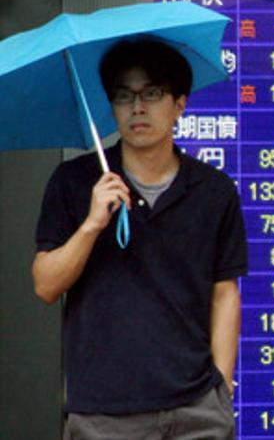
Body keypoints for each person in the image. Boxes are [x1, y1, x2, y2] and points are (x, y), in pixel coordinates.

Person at [32, 38, 246, 439]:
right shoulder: (75, 182)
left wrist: (221, 384)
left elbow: (225, 292)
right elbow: (45, 285)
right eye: (124, 95)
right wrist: (92, 224)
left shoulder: (213, 190)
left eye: (152, 93)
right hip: (103, 413)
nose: (137, 107)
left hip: (196, 408)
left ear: (179, 104)